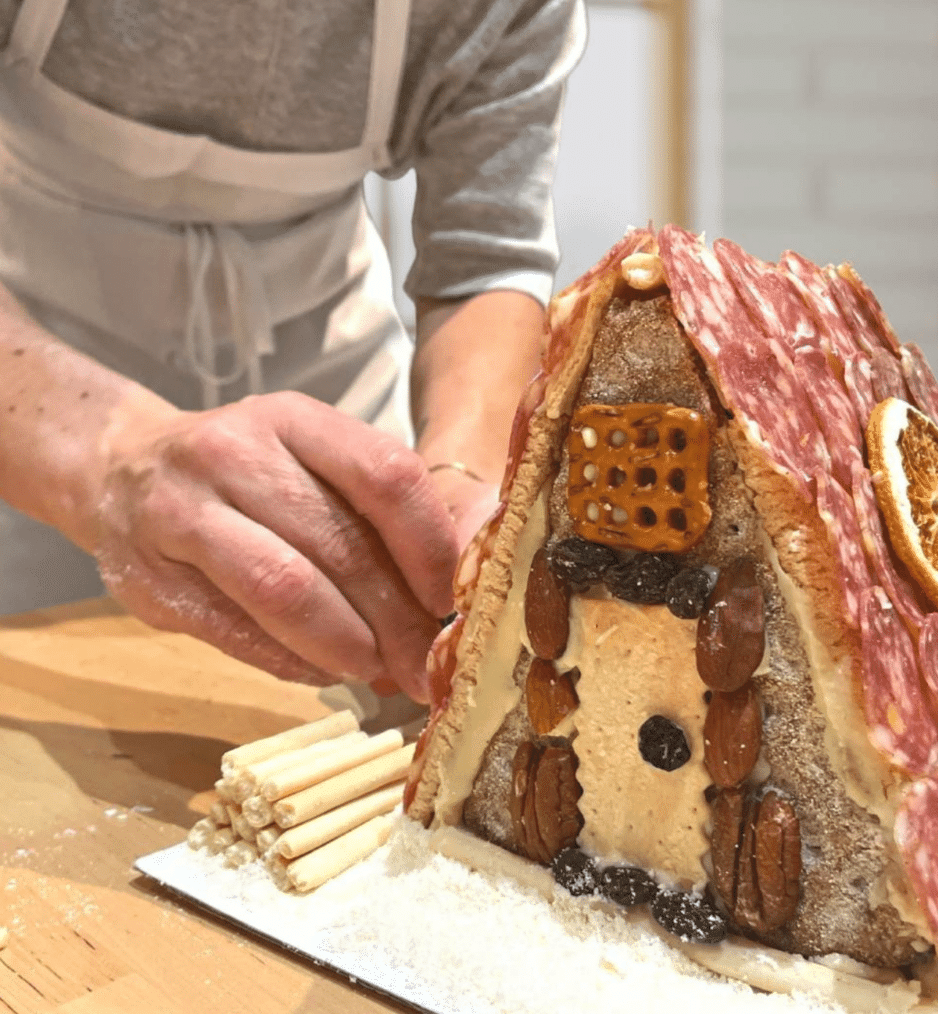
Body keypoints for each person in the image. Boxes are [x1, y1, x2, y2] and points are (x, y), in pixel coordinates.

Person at [0, 0, 585, 704]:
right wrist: (114, 458)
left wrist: (459, 477)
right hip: (30, 399)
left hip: (325, 396)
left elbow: (484, 267)